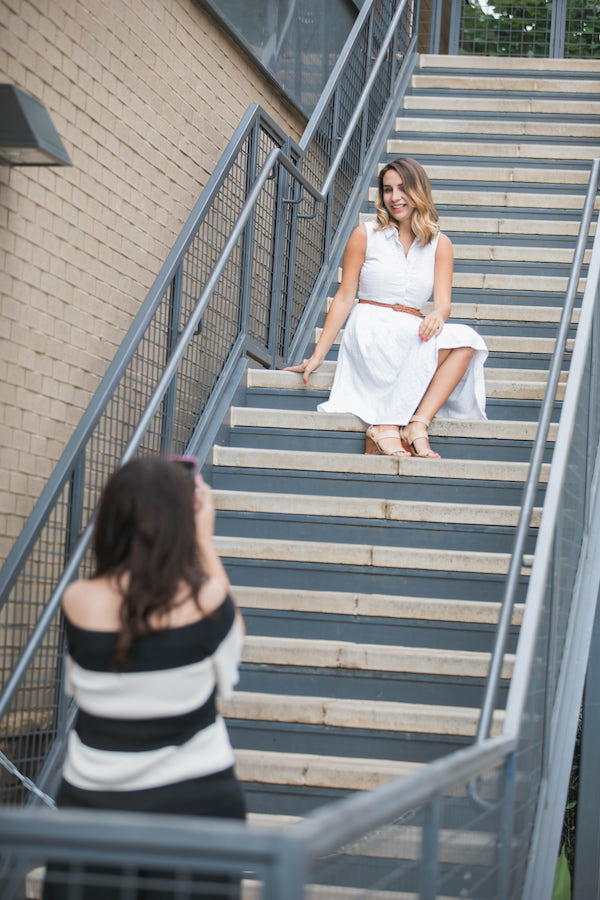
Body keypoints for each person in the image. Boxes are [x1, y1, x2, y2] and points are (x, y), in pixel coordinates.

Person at [42, 456, 246, 899]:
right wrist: (204, 542)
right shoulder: (207, 597)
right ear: (181, 521)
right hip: (198, 801)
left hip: (94, 804)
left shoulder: (78, 601)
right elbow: (232, 657)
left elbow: (79, 682)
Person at [285, 157, 488, 458]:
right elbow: (344, 296)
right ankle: (386, 425)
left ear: (419, 191)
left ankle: (417, 423)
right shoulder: (365, 235)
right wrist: (318, 355)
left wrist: (436, 315)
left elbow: (444, 303)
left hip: (411, 327)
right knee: (426, 345)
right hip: (371, 326)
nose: (395, 197)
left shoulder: (440, 244)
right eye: (387, 189)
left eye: (403, 188)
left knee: (468, 341)